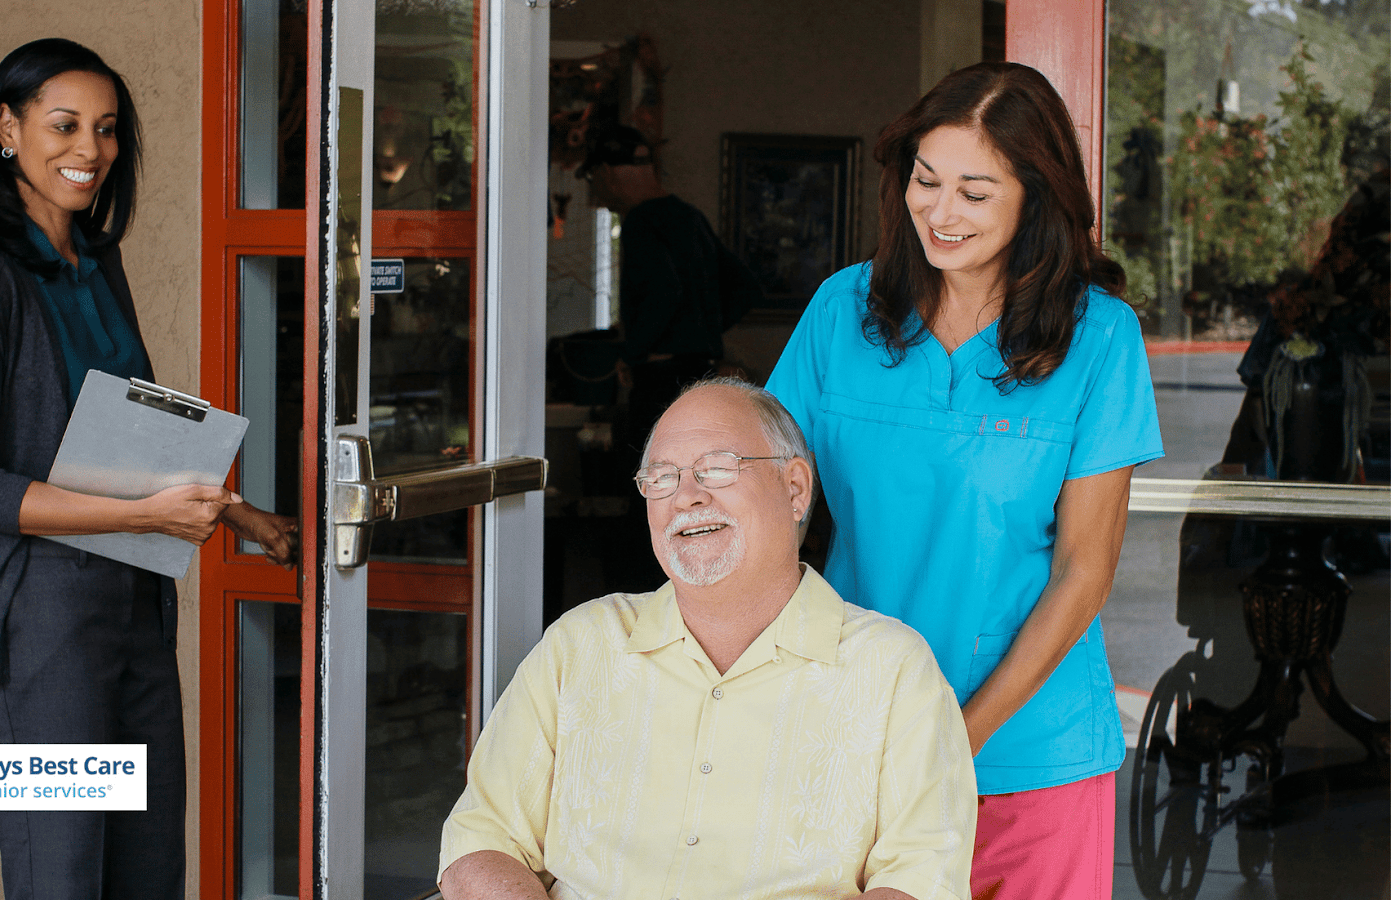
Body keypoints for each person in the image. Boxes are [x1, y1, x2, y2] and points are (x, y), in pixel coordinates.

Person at [766, 62, 1164, 900]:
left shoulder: (1099, 341)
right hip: (855, 735)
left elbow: (1083, 574)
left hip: (1032, 750)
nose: (940, 213)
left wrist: (954, 737)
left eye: (975, 193)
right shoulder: (843, 312)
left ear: (1036, 197)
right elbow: (767, 504)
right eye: (925, 180)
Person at [0, 39, 293, 900]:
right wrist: (146, 518)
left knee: (148, 868)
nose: (89, 149)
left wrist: (238, 514)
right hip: (32, 623)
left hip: (130, 601)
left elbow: (128, 438)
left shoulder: (96, 263)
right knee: (62, 877)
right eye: (64, 125)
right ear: (7, 131)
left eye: (107, 129)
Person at [439, 377, 977, 900]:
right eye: (662, 478)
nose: (687, 497)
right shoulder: (582, 646)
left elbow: (918, 881)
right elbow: (479, 843)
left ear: (795, 489)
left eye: (717, 469)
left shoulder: (892, 669)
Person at [577, 125, 761, 438]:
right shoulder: (689, 216)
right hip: (701, 371)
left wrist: (633, 353)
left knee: (652, 471)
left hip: (660, 378)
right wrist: (699, 334)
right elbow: (746, 287)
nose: (597, 190)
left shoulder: (640, 220)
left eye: (595, 179)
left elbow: (664, 292)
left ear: (607, 171)